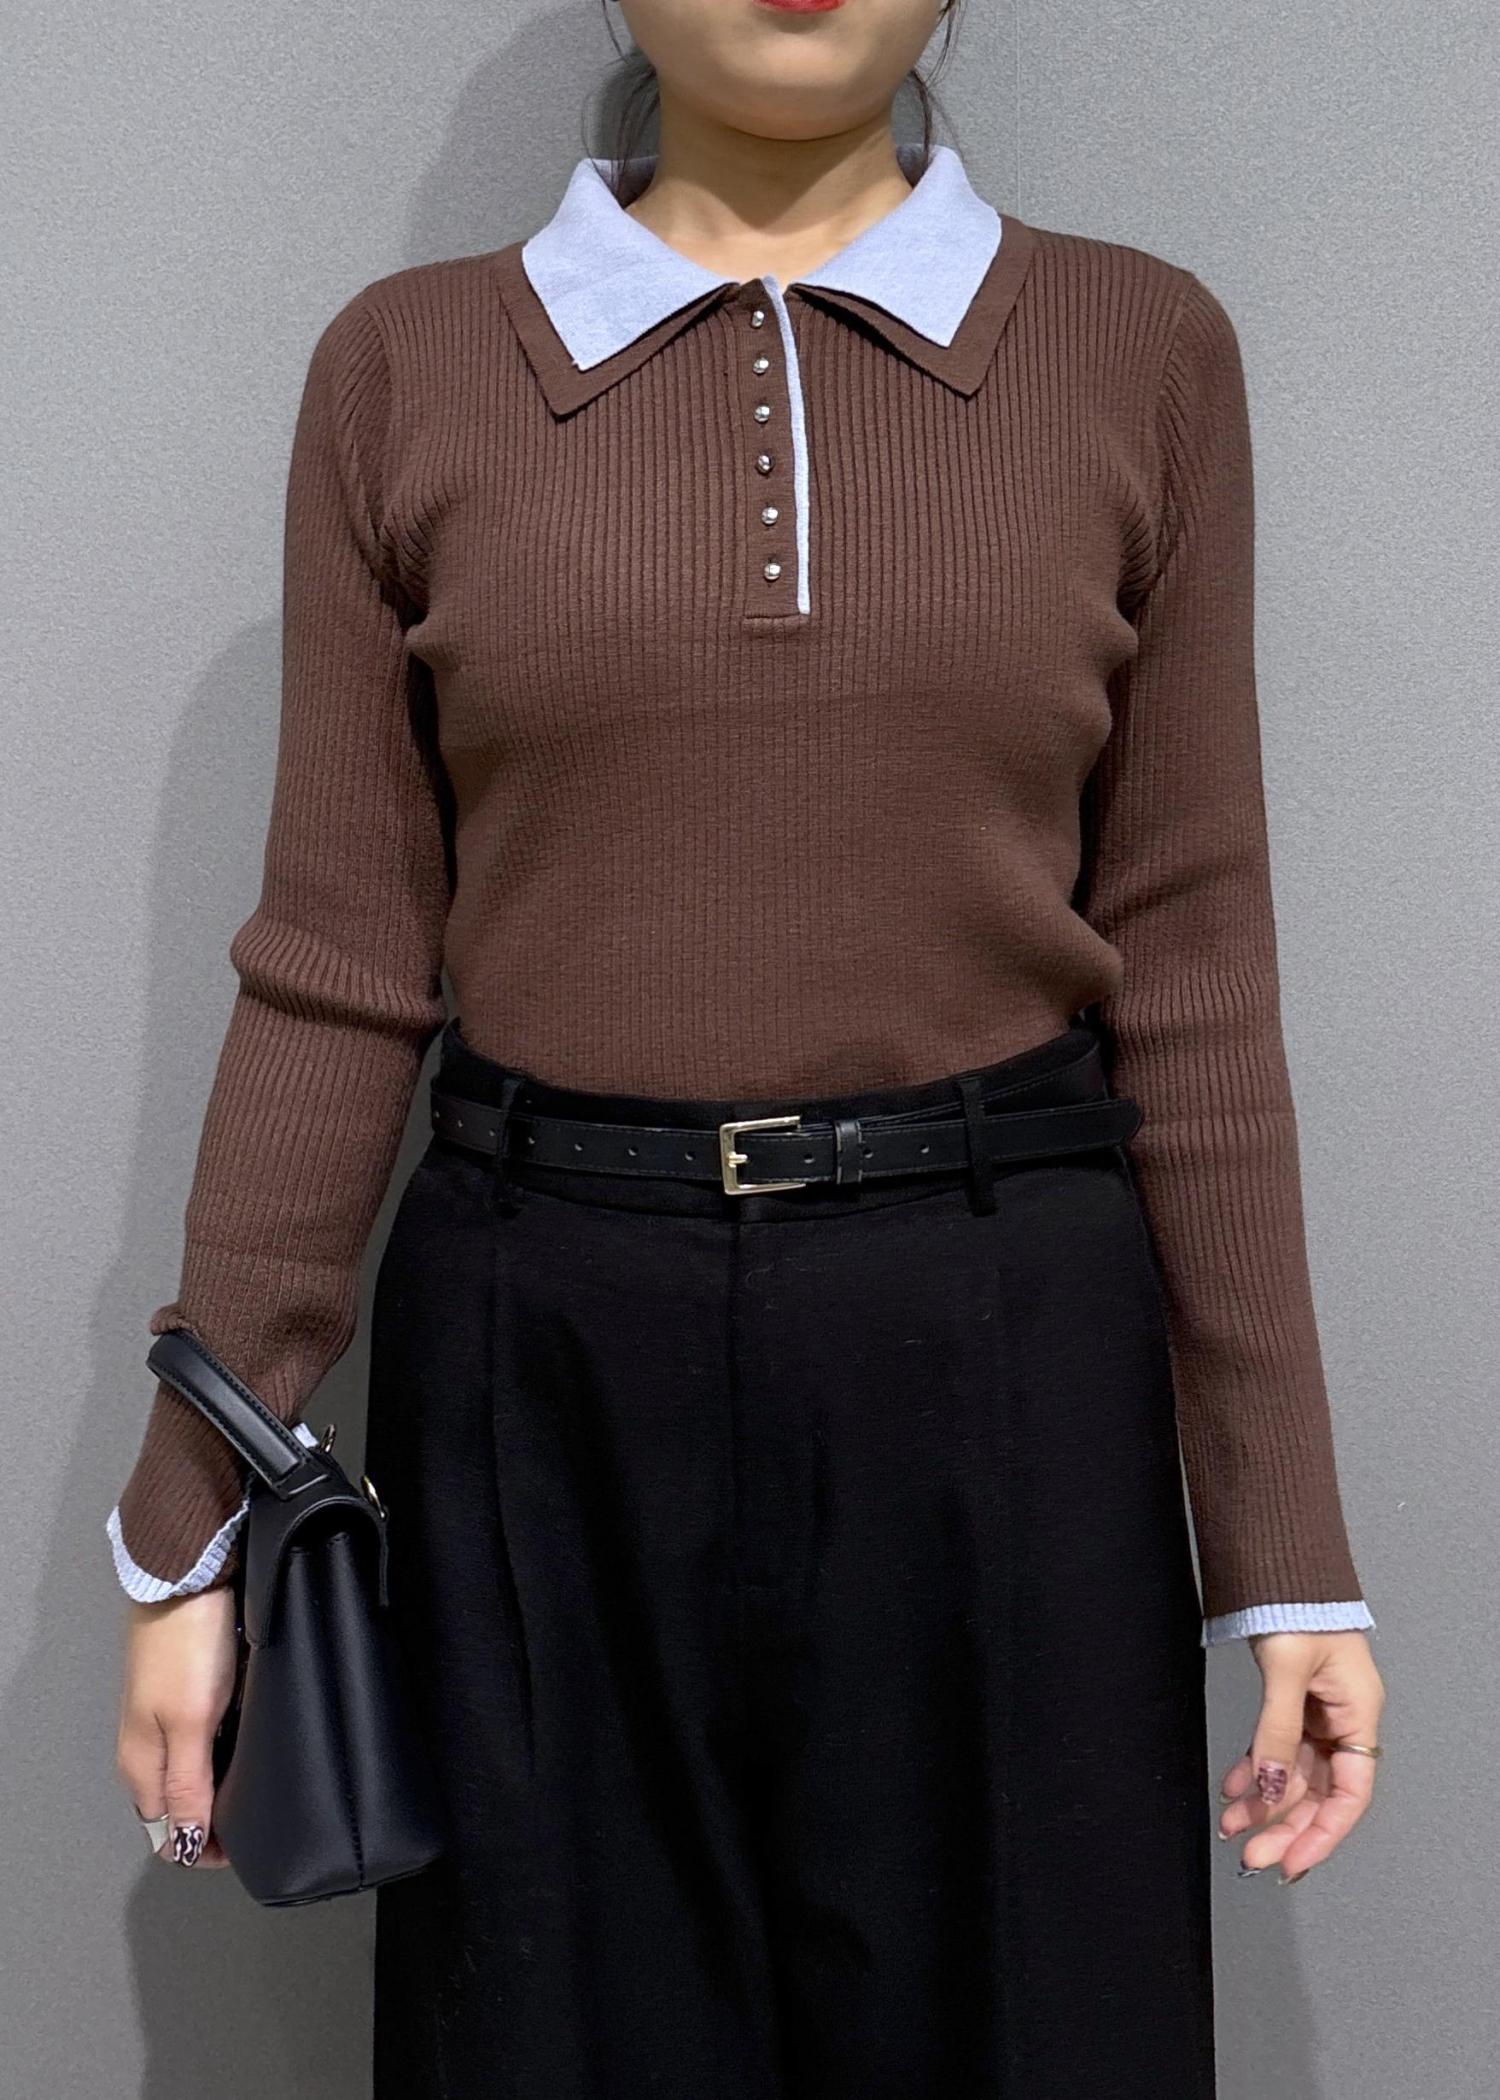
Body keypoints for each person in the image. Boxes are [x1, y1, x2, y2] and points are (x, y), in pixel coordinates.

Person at [110, 0, 1386, 2092]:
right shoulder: (407, 370)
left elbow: (1193, 968)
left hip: (1008, 1346)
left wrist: (1287, 1557)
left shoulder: (1139, 353)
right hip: (539, 1365)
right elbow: (339, 967)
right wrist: (193, 1520)